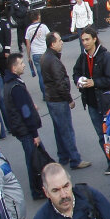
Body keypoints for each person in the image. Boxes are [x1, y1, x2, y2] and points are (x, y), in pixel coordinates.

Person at [71, 27, 110, 175]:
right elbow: (75, 72)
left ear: (94, 39)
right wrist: (78, 80)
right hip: (92, 103)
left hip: (107, 102)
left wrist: (95, 82)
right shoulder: (83, 57)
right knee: (101, 135)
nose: (85, 43)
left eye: (87, 39)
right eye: (82, 40)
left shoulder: (107, 57)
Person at [39, 32, 90, 171]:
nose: (62, 42)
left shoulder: (46, 57)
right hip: (58, 100)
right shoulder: (53, 60)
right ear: (52, 44)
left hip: (52, 99)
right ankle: (75, 159)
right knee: (66, 130)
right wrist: (69, 99)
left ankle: (63, 156)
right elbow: (60, 83)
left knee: (59, 129)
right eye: (59, 40)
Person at [1, 53, 45, 200]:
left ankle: (40, 186)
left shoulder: (10, 83)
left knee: (35, 157)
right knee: (34, 160)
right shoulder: (16, 86)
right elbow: (24, 112)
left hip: (21, 129)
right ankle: (37, 190)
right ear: (14, 68)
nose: (24, 65)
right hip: (26, 130)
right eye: (21, 63)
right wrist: (34, 134)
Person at [24, 11, 51, 101]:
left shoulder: (28, 29)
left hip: (35, 54)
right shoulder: (43, 27)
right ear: (38, 17)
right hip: (45, 52)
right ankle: (51, 92)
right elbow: (49, 38)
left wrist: (28, 56)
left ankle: (44, 95)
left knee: (41, 75)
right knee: (49, 72)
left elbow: (28, 45)